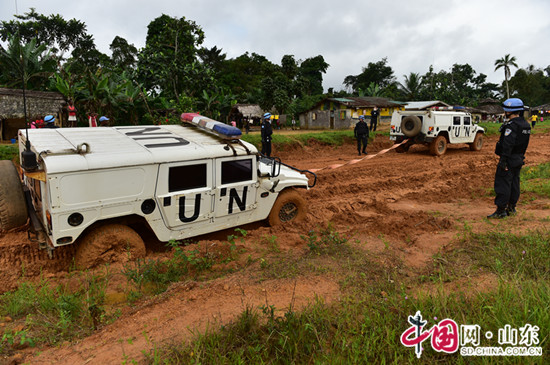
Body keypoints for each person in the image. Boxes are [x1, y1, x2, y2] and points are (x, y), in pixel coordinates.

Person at [488, 98, 531, 219]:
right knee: (514, 183)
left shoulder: (511, 126)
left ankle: (501, 210)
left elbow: (508, 145)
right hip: (519, 158)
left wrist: (503, 160)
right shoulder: (525, 125)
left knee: (503, 184)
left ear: (509, 111)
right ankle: (511, 208)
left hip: (509, 159)